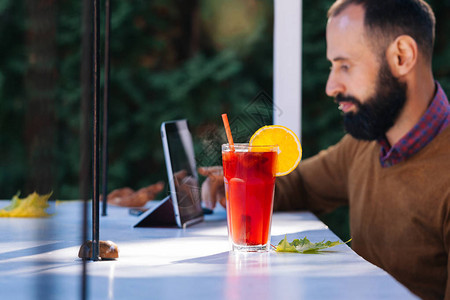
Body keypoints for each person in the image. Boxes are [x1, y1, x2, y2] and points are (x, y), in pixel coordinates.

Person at [199, 0, 450, 299]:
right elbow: (299, 185)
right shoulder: (365, 146)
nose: (331, 86)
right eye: (332, 66)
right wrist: (241, 181)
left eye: (345, 65)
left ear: (401, 56)